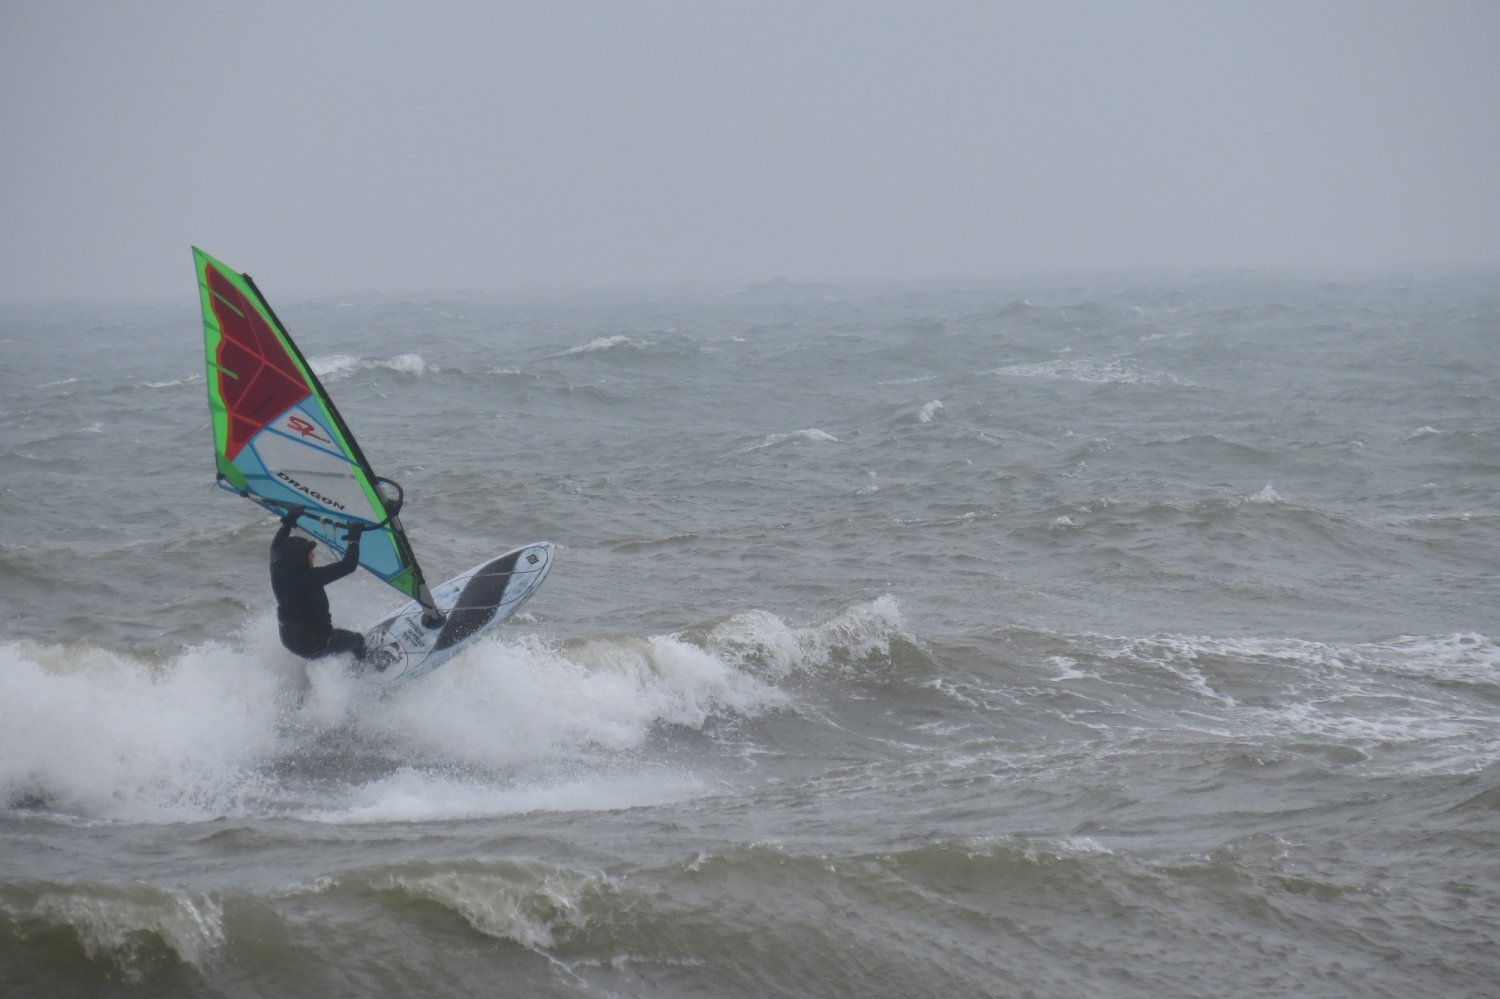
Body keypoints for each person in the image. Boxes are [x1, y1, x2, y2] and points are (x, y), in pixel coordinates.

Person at [269, 504, 369, 660]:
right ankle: (370, 666)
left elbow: (276, 546)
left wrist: (289, 520)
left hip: (289, 641)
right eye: (310, 554)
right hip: (317, 644)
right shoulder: (309, 579)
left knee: (316, 633)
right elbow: (348, 565)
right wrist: (354, 539)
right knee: (358, 641)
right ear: (300, 559)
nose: (313, 557)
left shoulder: (278, 569)